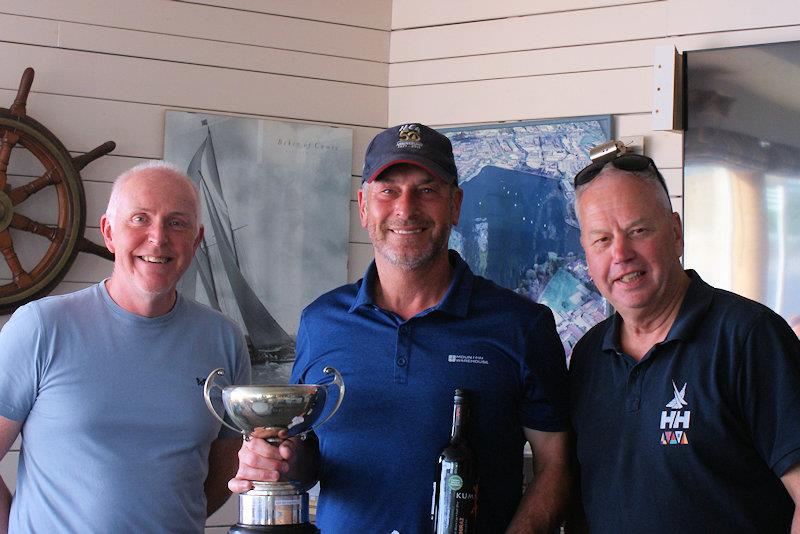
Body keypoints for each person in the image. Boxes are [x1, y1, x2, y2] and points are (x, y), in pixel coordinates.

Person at [231, 123, 571, 533]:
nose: (406, 209)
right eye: (388, 190)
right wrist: (277, 462)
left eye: (427, 190)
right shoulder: (320, 322)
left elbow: (556, 467)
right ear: (363, 206)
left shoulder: (520, 325)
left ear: (455, 204)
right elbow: (309, 457)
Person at [0, 161, 251, 533]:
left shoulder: (223, 340)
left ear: (196, 241)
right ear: (108, 232)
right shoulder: (41, 327)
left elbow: (223, 468)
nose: (158, 238)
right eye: (140, 219)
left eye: (177, 223)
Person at [568, 151, 800, 532]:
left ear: (676, 233)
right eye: (602, 240)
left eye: (638, 231)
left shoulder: (748, 337)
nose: (621, 254)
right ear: (587, 255)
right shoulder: (588, 357)